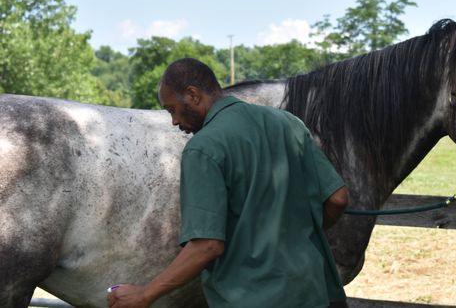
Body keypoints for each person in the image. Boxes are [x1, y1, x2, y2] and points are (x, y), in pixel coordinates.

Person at [107, 58, 349, 308]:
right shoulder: (290, 124)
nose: (174, 122)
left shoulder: (204, 148)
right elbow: (338, 198)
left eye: (171, 109)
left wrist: (145, 294)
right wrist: (296, 236)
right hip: (313, 291)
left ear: (192, 95)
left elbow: (207, 246)